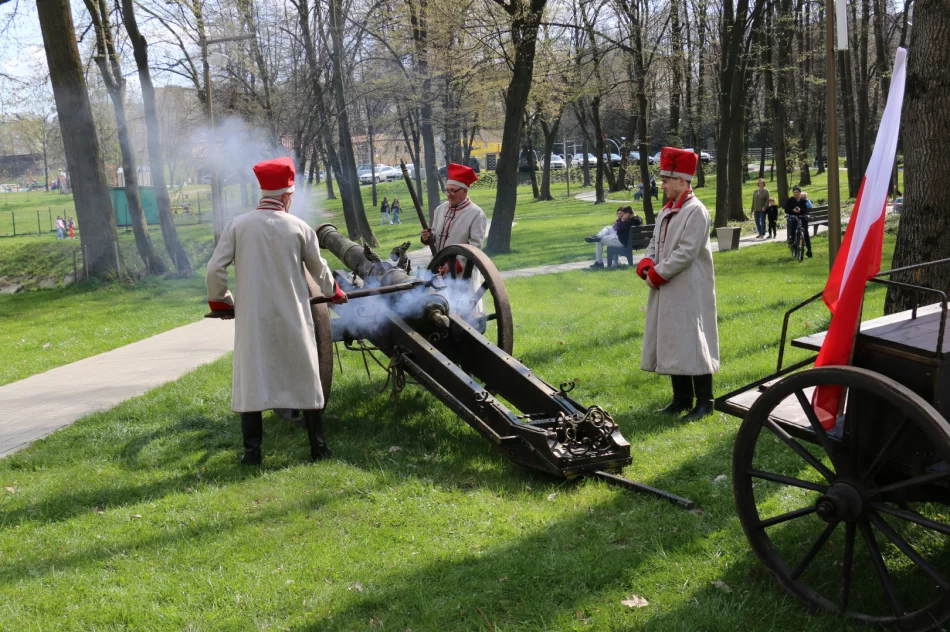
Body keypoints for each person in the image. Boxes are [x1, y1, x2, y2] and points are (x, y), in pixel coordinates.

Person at [205, 156, 348, 466]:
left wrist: (222, 301)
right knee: (305, 375)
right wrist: (333, 293)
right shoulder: (300, 227)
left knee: (252, 379)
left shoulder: (238, 225)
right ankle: (318, 447)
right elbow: (319, 269)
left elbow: (215, 269)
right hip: (292, 315)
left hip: (252, 319)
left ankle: (252, 454)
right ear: (286, 195)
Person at [635, 147, 719, 421]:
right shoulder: (667, 210)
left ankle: (705, 401)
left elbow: (687, 252)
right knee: (672, 339)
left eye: (666, 180)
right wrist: (647, 263)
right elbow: (654, 243)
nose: (662, 185)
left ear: (682, 180)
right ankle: (681, 399)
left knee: (694, 340)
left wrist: (658, 273)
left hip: (689, 288)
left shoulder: (696, 211)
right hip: (667, 287)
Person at [420, 163, 486, 251]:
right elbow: (435, 237)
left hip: (460, 260)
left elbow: (475, 248)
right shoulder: (440, 209)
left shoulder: (476, 214)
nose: (449, 194)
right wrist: (428, 236)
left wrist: (454, 260)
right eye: (447, 190)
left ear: (464, 191)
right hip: (438, 259)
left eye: (452, 191)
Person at [785, 185, 812, 257]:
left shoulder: (803, 201)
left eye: (797, 192)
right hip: (793, 217)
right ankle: (792, 241)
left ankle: (809, 250)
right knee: (793, 227)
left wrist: (800, 210)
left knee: (806, 233)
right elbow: (786, 210)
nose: (796, 194)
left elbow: (805, 210)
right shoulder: (790, 200)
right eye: (794, 192)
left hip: (802, 217)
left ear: (800, 193)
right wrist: (792, 210)